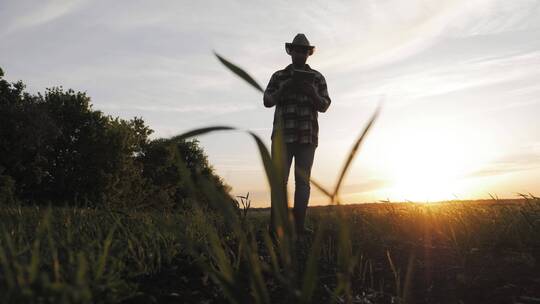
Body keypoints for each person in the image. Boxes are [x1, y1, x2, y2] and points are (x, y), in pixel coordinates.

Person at [263, 33, 331, 235]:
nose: (300, 53)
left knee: (302, 183)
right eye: (296, 50)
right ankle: (275, 228)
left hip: (307, 138)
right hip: (282, 138)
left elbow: (325, 105)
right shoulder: (279, 76)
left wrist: (311, 92)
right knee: (279, 182)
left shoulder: (317, 78)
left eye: (304, 50)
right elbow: (267, 101)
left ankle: (299, 227)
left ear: (308, 53)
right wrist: (283, 89)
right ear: (290, 51)